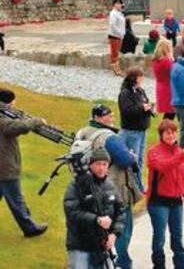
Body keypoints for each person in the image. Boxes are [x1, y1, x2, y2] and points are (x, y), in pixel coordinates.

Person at [75, 104, 141, 269]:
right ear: (97, 118)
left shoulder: (82, 133)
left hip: (89, 190)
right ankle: (123, 263)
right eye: (108, 116)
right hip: (114, 189)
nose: (112, 119)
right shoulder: (108, 137)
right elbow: (125, 159)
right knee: (122, 230)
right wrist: (132, 156)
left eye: (112, 115)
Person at [63, 148, 127, 269]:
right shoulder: (76, 186)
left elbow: (121, 212)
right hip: (80, 247)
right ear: (90, 165)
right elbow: (72, 212)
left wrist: (114, 234)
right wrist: (96, 219)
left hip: (102, 247)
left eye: (104, 164)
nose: (101, 168)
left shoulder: (110, 185)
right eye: (97, 164)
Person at [0, 88, 48, 238]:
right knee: (17, 201)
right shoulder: (3, 121)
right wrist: (37, 121)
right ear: (7, 103)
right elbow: (20, 127)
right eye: (13, 102)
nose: (15, 105)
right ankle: (29, 228)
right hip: (6, 168)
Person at [146, 119, 184, 269]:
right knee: (159, 237)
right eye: (167, 132)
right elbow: (163, 166)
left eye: (173, 132)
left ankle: (182, 265)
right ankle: (159, 265)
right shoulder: (154, 152)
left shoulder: (180, 152)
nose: (171, 135)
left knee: (177, 237)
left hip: (176, 201)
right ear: (161, 134)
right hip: (158, 201)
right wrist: (182, 156)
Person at [117, 67, 153, 188]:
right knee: (133, 160)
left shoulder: (140, 91)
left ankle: (139, 184)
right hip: (131, 131)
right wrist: (142, 108)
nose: (142, 79)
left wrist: (149, 108)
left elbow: (145, 102)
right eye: (140, 76)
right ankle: (134, 186)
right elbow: (126, 110)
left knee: (140, 160)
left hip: (142, 130)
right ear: (133, 78)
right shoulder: (125, 93)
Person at [150, 38, 176, 121]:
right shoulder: (168, 62)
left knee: (169, 113)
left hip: (160, 86)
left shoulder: (156, 61)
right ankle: (164, 130)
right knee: (170, 113)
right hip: (168, 88)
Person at [108, 0, 125, 75]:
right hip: (115, 35)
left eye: (120, 3)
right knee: (114, 52)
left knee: (116, 52)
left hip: (119, 35)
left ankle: (117, 68)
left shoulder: (119, 13)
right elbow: (112, 25)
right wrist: (119, 33)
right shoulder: (113, 13)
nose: (119, 5)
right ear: (114, 4)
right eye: (117, 3)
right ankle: (116, 69)